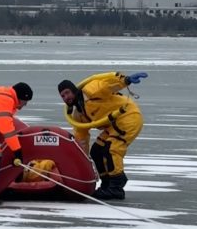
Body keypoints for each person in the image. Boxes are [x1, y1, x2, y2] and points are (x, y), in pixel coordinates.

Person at [57, 72, 147, 200]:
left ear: (74, 90)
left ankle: (116, 187)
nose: (66, 97)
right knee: (97, 151)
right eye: (63, 96)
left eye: (67, 93)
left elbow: (109, 84)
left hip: (128, 117)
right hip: (113, 125)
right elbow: (82, 138)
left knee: (112, 149)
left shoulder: (91, 90)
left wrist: (126, 80)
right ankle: (106, 184)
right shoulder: (78, 115)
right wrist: (83, 159)